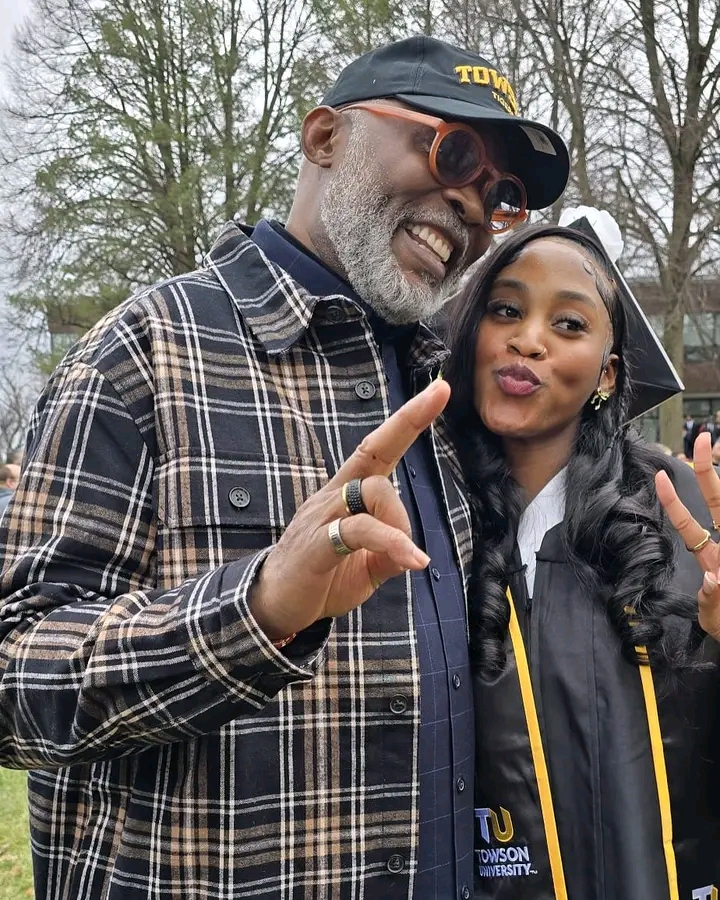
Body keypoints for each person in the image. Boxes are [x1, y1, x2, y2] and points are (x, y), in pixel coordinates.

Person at [0, 36, 569, 900]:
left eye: (500, 196)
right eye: (451, 151)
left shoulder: (455, 398)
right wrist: (257, 607)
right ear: (324, 137)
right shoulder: (145, 353)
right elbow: (14, 677)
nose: (467, 202)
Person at [443, 223, 720, 899]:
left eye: (568, 323)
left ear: (608, 372)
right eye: (505, 310)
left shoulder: (668, 508)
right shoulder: (430, 517)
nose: (528, 339)